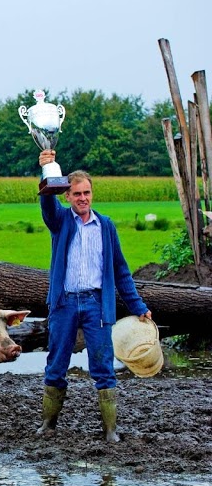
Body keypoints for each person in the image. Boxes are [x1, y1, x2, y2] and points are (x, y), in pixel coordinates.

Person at [36, 149, 152, 443]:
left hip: (96, 304)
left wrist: (138, 306)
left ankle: (110, 429)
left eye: (86, 192)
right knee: (56, 362)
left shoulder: (106, 226)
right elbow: (47, 205)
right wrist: (48, 170)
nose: (82, 198)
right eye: (76, 194)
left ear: (92, 194)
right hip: (64, 303)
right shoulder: (60, 222)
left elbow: (121, 270)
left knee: (102, 364)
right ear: (68, 196)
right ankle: (48, 424)